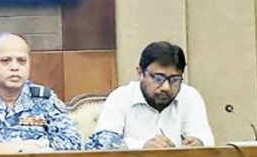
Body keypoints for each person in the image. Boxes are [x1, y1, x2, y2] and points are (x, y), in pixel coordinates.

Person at [86, 41, 214, 150]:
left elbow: (205, 137)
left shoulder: (190, 96)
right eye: (158, 78)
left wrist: (199, 142)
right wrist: (142, 147)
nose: (166, 87)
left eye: (174, 79)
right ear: (140, 73)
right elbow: (102, 143)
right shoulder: (120, 97)